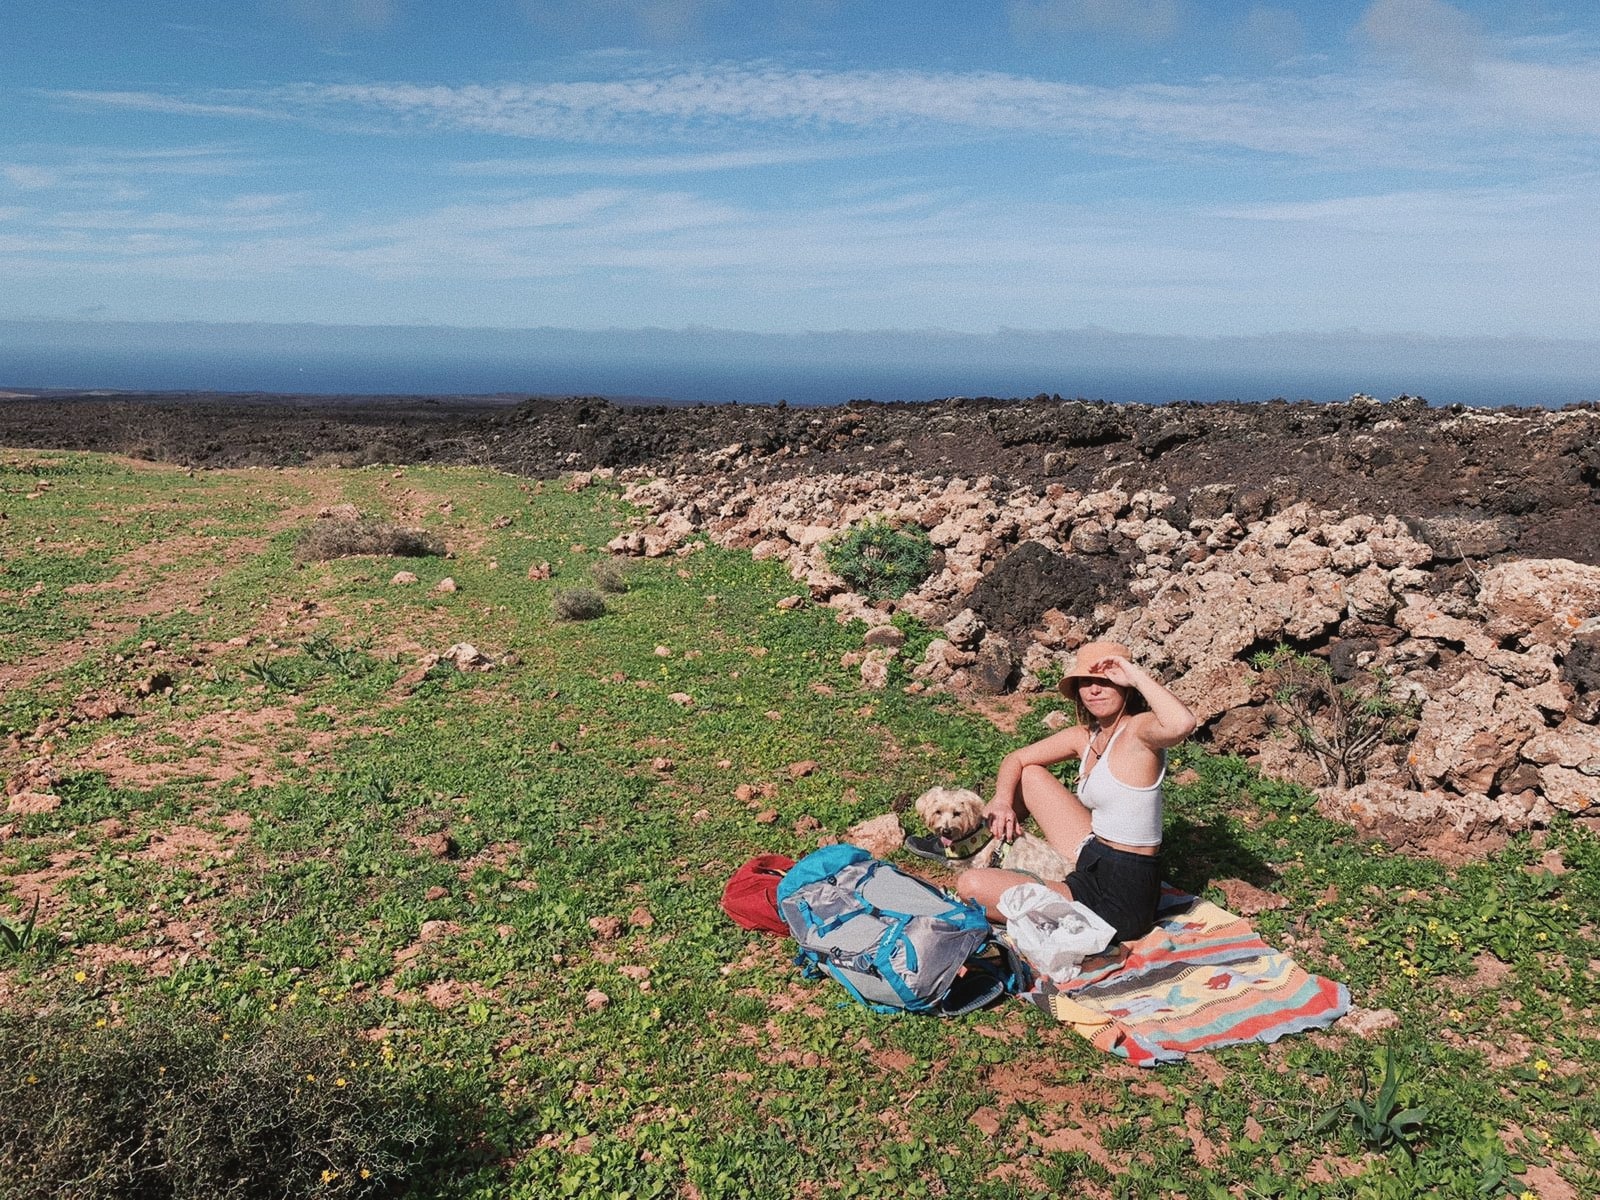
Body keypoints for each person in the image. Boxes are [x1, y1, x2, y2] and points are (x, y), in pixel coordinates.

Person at [956, 641, 1197, 943]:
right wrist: (1002, 800)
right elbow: (1016, 758)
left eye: (1105, 681)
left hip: (1120, 894)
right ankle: (978, 842)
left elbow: (1182, 723)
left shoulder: (1139, 730)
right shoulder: (1087, 736)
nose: (1094, 690)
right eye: (1086, 682)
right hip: (1093, 853)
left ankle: (999, 868)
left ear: (1125, 686)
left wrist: (1134, 675)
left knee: (971, 886)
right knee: (1029, 774)